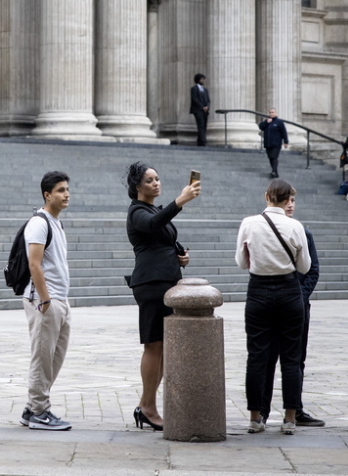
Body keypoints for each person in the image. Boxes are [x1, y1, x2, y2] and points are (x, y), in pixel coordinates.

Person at [125, 163, 200, 431]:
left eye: (157, 178)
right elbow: (152, 225)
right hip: (151, 284)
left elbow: (159, 239)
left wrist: (180, 257)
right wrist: (180, 201)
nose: (156, 183)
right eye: (149, 180)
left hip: (166, 282)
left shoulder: (154, 210)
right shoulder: (137, 211)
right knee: (153, 346)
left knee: (163, 347)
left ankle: (147, 405)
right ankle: (147, 407)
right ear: (137, 187)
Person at [236, 179, 311, 435]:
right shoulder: (295, 226)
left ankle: (255, 417)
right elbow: (304, 266)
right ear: (287, 199)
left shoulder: (249, 223)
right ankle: (289, 418)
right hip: (289, 291)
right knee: (291, 357)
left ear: (266, 196)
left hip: (258, 291)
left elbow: (241, 262)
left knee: (256, 356)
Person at [260, 194, 324, 428]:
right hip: (270, 305)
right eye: (286, 200)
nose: (290, 204)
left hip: (297, 308)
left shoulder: (304, 233)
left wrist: (299, 299)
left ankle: (295, 410)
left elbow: (313, 271)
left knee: (296, 360)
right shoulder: (263, 231)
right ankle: (262, 412)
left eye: (294, 200)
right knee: (267, 360)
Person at [18, 172, 75, 431]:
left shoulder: (56, 222)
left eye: (67, 189)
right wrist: (45, 299)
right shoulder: (39, 223)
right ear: (47, 195)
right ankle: (40, 411)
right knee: (42, 358)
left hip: (60, 299)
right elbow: (34, 264)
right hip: (44, 300)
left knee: (54, 359)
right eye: (61, 190)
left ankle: (32, 408)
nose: (66, 194)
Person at [259, 109, 289, 179]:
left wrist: (286, 142)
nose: (271, 114)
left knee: (274, 157)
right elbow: (261, 127)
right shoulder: (267, 121)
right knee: (270, 157)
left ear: (276, 113)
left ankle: (273, 171)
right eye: (270, 112)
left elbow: (284, 132)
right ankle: (275, 172)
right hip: (268, 143)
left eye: (272, 112)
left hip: (276, 143)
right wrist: (266, 122)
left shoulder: (279, 122)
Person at [189, 73, 210, 147]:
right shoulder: (194, 89)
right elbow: (194, 99)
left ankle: (200, 142)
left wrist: (207, 107)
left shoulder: (205, 90)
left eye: (203, 79)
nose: (203, 80)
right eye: (202, 79)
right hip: (198, 110)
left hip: (205, 111)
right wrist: (202, 107)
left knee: (204, 125)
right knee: (200, 125)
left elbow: (208, 100)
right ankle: (203, 141)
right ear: (198, 80)